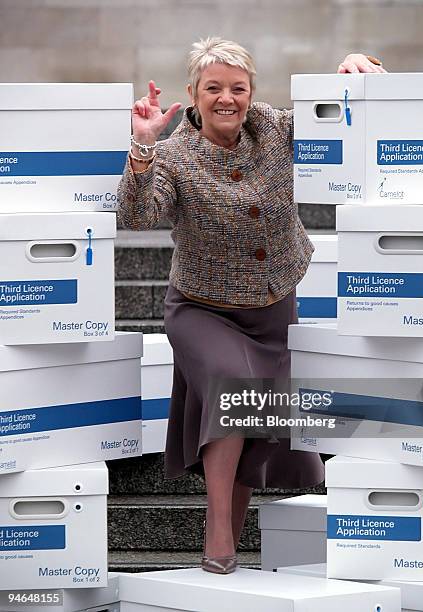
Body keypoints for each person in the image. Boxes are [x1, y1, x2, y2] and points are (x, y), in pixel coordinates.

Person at [117, 38, 385, 574]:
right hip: (201, 309)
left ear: (252, 93)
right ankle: (218, 536)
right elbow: (138, 218)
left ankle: (230, 537)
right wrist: (143, 146)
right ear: (193, 93)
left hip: (271, 306)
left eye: (237, 88)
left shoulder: (271, 127)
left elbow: (345, 122)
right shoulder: (173, 154)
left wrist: (359, 72)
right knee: (231, 383)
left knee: (253, 417)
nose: (226, 99)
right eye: (212, 88)